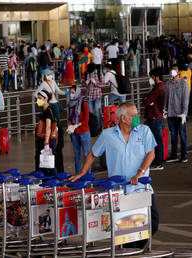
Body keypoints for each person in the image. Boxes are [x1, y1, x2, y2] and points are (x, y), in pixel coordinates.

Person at [70, 102, 159, 249]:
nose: (137, 118)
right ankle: (131, 250)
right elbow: (92, 154)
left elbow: (151, 153)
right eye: (134, 115)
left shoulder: (144, 131)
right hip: (119, 191)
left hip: (140, 188)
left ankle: (136, 247)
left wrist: (140, 172)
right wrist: (83, 172)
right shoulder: (108, 135)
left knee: (152, 223)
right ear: (123, 118)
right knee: (124, 230)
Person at [165, 68, 189, 163]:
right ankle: (174, 155)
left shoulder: (184, 84)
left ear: (178, 73)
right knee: (173, 135)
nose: (172, 73)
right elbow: (166, 98)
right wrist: (165, 109)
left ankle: (184, 156)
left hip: (180, 114)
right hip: (171, 114)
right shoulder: (168, 84)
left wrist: (184, 113)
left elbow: (185, 100)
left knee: (182, 135)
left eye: (174, 71)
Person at [143, 68, 166, 170]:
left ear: (156, 77)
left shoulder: (158, 88)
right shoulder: (160, 87)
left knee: (156, 140)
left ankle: (158, 162)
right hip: (156, 116)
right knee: (156, 140)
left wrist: (147, 100)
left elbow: (146, 101)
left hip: (154, 116)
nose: (151, 79)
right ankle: (157, 161)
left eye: (152, 77)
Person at [66, 85, 91, 175]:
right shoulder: (70, 104)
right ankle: (78, 174)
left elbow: (86, 120)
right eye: (70, 93)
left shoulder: (84, 104)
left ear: (77, 93)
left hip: (83, 132)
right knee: (77, 155)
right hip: (74, 133)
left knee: (87, 154)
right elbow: (69, 118)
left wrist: (76, 125)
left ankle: (88, 174)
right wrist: (70, 126)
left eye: (73, 93)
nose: (71, 95)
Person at [34, 90, 57, 177]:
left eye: (40, 98)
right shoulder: (44, 110)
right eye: (37, 98)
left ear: (46, 99)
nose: (38, 100)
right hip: (43, 140)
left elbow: (48, 127)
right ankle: (48, 183)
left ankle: (54, 182)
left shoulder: (48, 111)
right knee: (45, 164)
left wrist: (46, 143)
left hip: (47, 141)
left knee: (49, 164)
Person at [82, 63, 104, 131]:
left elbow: (103, 84)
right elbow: (83, 84)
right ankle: (93, 128)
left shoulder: (99, 74)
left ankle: (99, 127)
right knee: (90, 113)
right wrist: (86, 82)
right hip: (89, 97)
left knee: (97, 112)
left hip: (97, 96)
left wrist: (95, 83)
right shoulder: (86, 73)